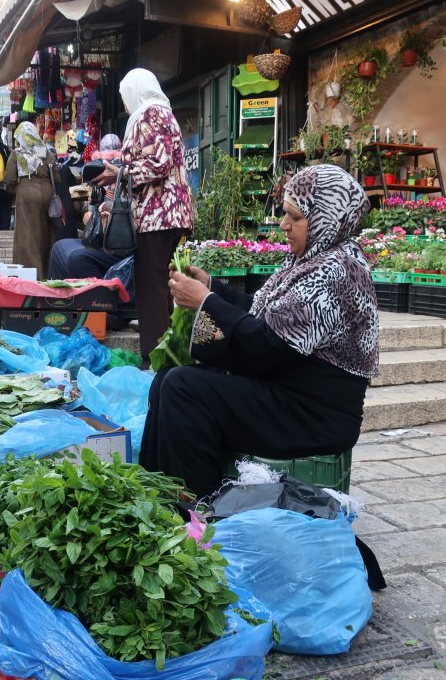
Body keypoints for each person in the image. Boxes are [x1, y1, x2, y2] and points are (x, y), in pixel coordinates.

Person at [139, 164, 380, 498]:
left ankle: (199, 509)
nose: (284, 225)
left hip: (313, 414)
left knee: (185, 388)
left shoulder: (335, 271)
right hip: (287, 391)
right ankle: (158, 493)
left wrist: (206, 302)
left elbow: (269, 347)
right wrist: (212, 288)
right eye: (285, 215)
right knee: (167, 377)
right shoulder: (311, 259)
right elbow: (267, 314)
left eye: (294, 217)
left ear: (325, 217)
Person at [93, 69, 193, 360]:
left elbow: (158, 164)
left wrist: (120, 173)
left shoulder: (151, 114)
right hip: (166, 215)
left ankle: (156, 360)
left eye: (125, 96)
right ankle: (168, 356)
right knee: (161, 288)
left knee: (152, 290)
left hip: (158, 216)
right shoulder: (160, 115)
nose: (125, 104)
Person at [47, 133, 127, 280]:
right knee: (59, 247)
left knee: (76, 258)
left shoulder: (124, 178)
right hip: (104, 237)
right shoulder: (108, 180)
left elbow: (121, 211)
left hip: (118, 243)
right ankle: (58, 297)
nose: (107, 165)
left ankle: (97, 300)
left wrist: (102, 210)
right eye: (105, 160)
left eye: (110, 161)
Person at [5, 122, 59, 278]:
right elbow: (56, 177)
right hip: (48, 194)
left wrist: (16, 190)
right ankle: (49, 274)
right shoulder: (48, 153)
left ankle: (32, 275)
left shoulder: (17, 153)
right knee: (47, 234)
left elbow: (9, 179)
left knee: (28, 236)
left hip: (27, 194)